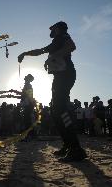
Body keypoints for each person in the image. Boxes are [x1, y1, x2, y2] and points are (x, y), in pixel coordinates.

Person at [18, 21, 86, 162]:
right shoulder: (56, 41)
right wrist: (25, 53)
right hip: (60, 76)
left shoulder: (63, 36)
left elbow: (72, 47)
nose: (50, 30)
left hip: (65, 75)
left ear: (58, 28)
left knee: (60, 110)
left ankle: (76, 148)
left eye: (52, 28)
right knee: (56, 111)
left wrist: (53, 57)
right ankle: (68, 145)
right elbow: (40, 51)